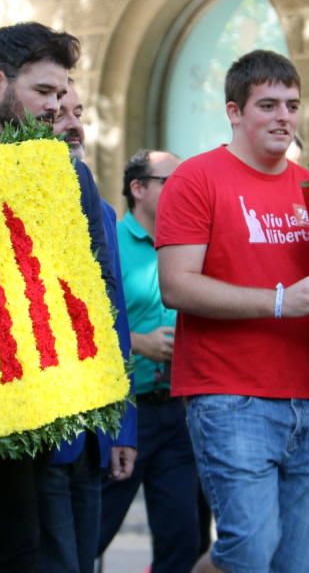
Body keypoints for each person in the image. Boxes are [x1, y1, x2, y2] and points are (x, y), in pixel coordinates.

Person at [0, 21, 117, 573]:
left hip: (63, 409)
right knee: (15, 556)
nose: (55, 106)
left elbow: (99, 281)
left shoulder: (70, 172)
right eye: (43, 92)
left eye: (61, 94)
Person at [156, 49, 309, 573]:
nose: (283, 116)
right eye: (267, 105)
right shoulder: (197, 178)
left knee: (297, 565)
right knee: (248, 550)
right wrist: (281, 301)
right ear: (234, 112)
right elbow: (176, 286)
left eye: (291, 104)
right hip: (227, 396)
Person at [36, 81, 137, 573]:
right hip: (43, 433)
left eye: (79, 112)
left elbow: (113, 317)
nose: (73, 123)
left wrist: (123, 426)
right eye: (60, 113)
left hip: (94, 431)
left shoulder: (103, 211)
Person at [98, 149, 202, 573]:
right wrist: (137, 342)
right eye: (171, 182)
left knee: (183, 541)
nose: (184, 191)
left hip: (178, 410)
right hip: (127, 411)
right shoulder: (110, 242)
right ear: (138, 189)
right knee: (93, 533)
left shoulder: (190, 241)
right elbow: (88, 321)